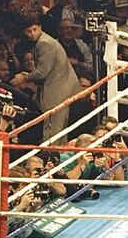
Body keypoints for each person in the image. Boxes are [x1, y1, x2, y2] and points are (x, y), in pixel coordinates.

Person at [10, 14, 81, 142]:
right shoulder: (42, 42)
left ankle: (52, 154)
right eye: (29, 31)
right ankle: (55, 153)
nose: (32, 34)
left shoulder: (44, 43)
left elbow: (42, 73)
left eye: (34, 29)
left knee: (52, 133)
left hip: (58, 93)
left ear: (40, 27)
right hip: (59, 91)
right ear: (24, 32)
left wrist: (24, 78)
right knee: (57, 133)